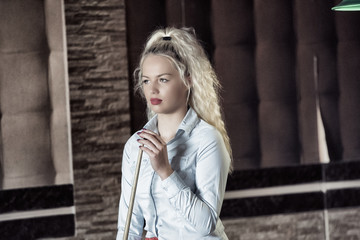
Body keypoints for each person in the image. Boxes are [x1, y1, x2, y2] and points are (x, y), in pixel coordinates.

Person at [117, 27, 232, 240]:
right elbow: (129, 226)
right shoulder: (135, 145)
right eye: (146, 80)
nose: (152, 90)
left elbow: (206, 224)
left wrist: (165, 171)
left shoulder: (207, 140)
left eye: (163, 79)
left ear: (188, 80)